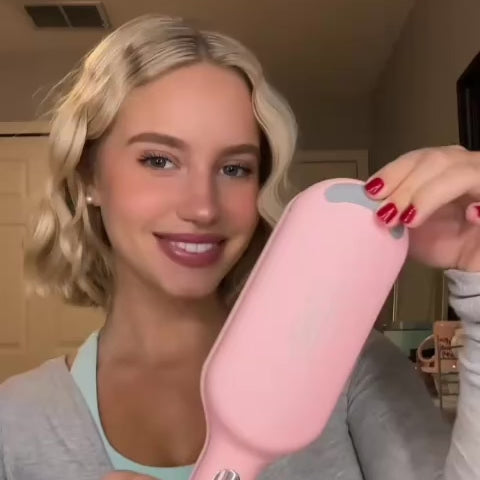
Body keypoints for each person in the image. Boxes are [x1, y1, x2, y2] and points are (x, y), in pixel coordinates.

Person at [0, 14, 479, 480]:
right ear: (89, 177)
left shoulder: (349, 367)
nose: (203, 207)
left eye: (235, 169)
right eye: (159, 160)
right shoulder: (17, 423)